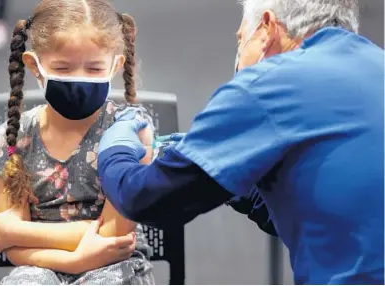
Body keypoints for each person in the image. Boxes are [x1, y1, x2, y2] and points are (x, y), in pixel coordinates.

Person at [97, 0, 384, 284]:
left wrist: (115, 149)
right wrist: (233, 180)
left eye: (240, 38)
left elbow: (147, 200)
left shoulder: (270, 84)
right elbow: (326, 222)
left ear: (266, 27)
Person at [0, 0, 155, 284]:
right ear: (34, 66)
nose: (79, 79)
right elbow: (11, 247)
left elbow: (115, 234)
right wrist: (76, 261)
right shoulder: (11, 140)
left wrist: (19, 231)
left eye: (95, 69)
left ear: (115, 66)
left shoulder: (131, 133)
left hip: (115, 265)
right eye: (63, 67)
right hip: (39, 267)